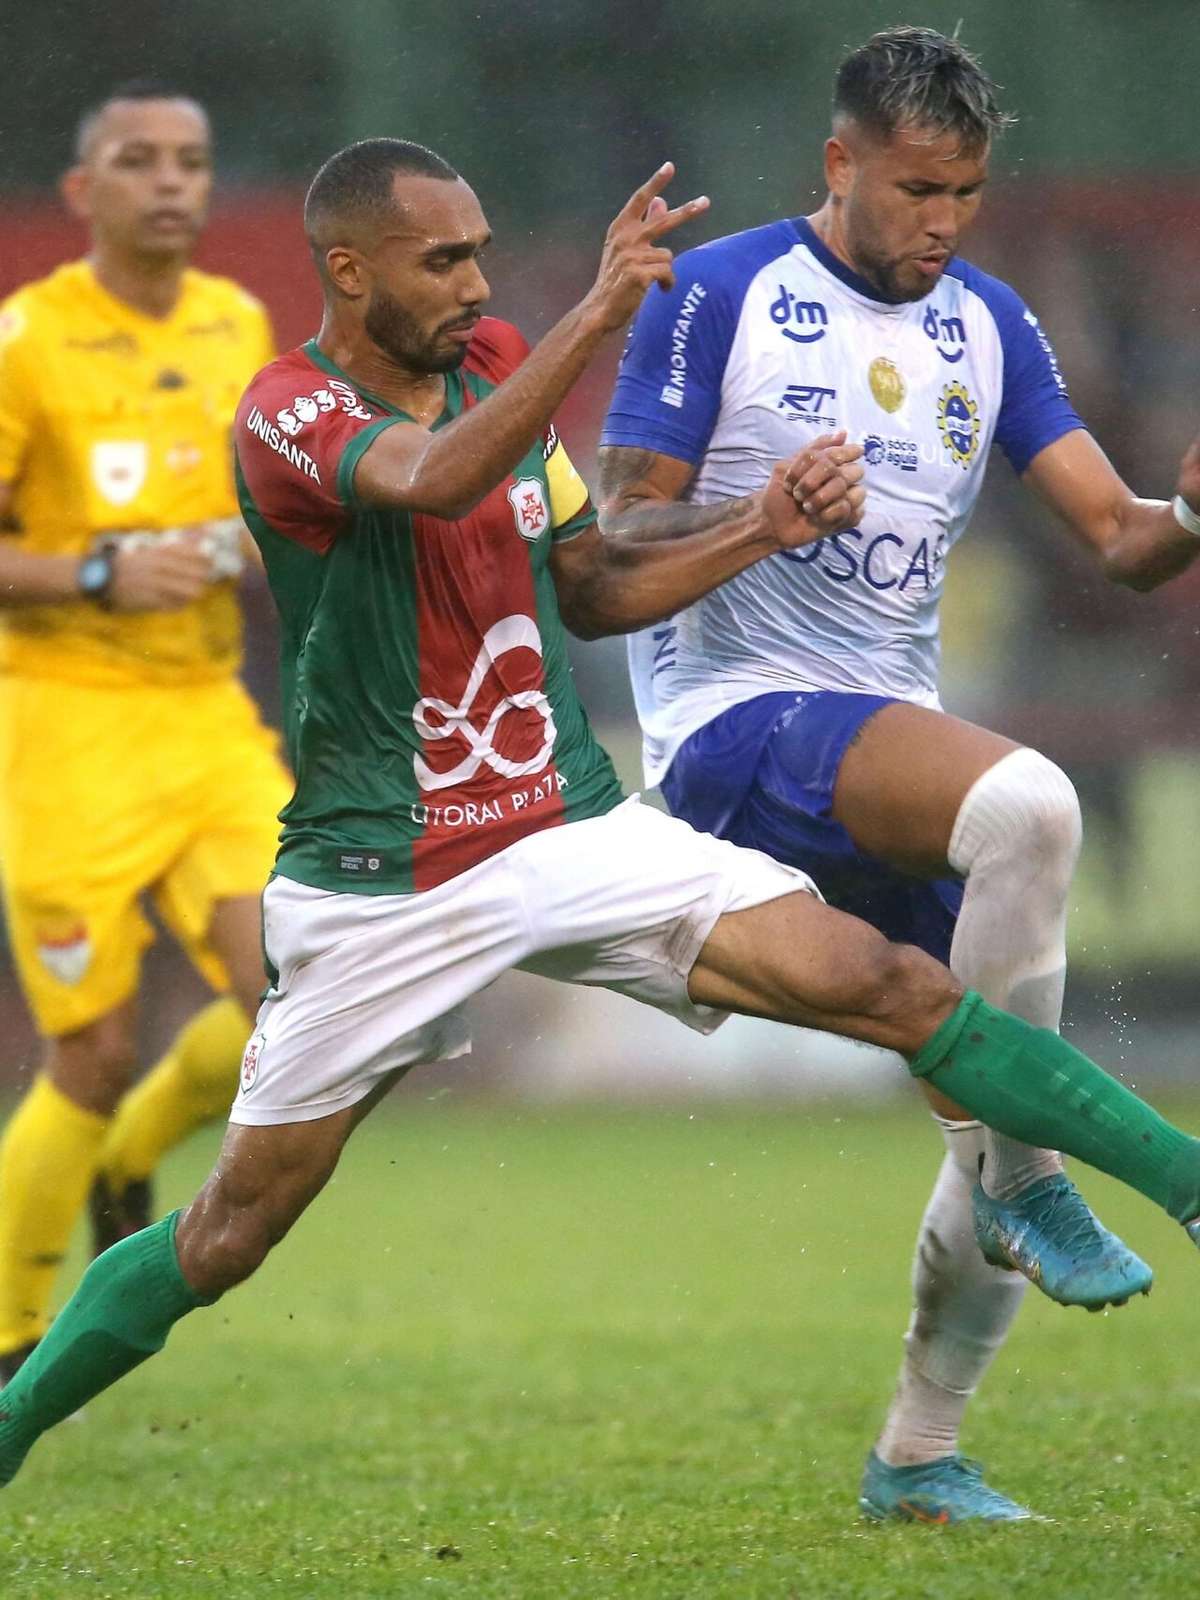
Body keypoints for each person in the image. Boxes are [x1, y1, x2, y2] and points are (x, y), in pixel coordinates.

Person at [2, 136, 1200, 1497]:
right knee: (227, 1236)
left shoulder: (494, 366)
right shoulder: (288, 408)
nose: (472, 280)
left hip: (568, 827)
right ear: (349, 270)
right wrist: (595, 319)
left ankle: (1176, 1177)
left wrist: (756, 527)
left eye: (480, 253)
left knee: (892, 981)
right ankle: (10, 1421)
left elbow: (588, 589)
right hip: (384, 878)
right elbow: (434, 478)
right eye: (440, 259)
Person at [596, 25, 1200, 1524]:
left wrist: (1190, 505)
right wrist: (758, 514)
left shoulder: (986, 323)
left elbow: (1123, 545)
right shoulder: (725, 292)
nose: (942, 222)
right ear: (841, 162)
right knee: (1033, 803)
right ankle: (1032, 1177)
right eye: (918, 188)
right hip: (733, 730)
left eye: (968, 195)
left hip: (880, 742)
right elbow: (610, 537)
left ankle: (918, 1456)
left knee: (987, 1074)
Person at [0, 82, 292, 1381]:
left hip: (207, 719)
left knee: (302, 995)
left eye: (192, 159)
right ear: (84, 192)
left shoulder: (239, 326)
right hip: (63, 726)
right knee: (91, 1045)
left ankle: (133, 1155)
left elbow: (268, 510)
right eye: (138, 161)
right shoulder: (28, 342)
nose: (171, 182)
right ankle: (11, 1339)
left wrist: (251, 543)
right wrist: (104, 575)